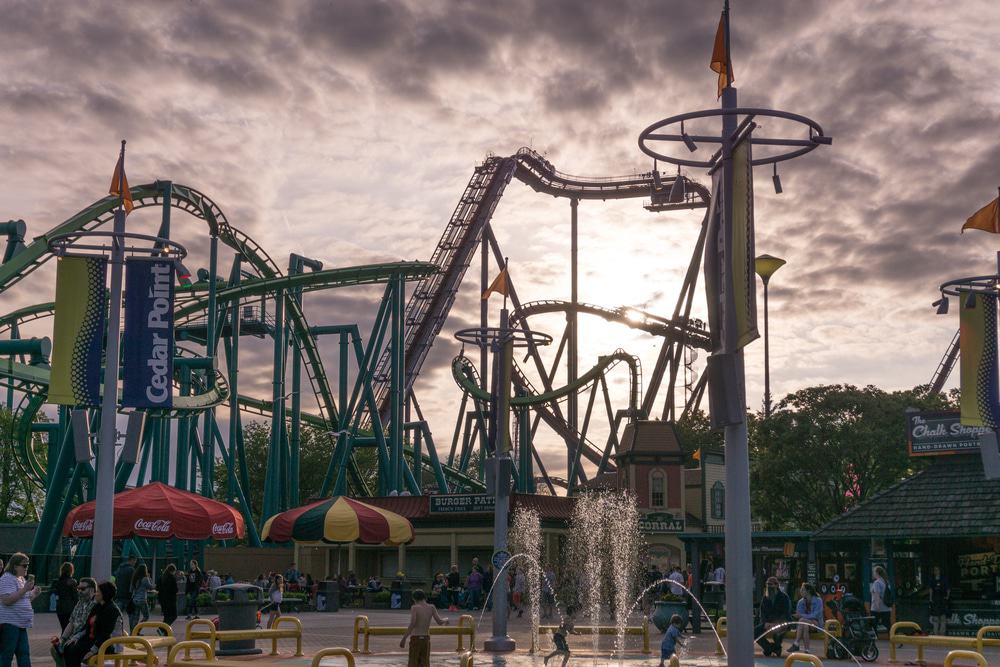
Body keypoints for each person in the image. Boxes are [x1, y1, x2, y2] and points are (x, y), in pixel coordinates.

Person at [62, 581, 124, 667]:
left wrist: (92, 651)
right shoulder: (97, 606)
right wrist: (76, 637)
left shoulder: (112, 610)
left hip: (109, 644)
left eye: (98, 591)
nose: (95, 594)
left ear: (104, 594)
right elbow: (87, 626)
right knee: (68, 647)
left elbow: (106, 634)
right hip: (94, 640)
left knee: (75, 650)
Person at [0, 553, 40, 667]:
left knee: (24, 653)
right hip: (10, 623)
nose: (27, 567)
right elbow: (6, 600)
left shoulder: (21, 579)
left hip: (21, 624)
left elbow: (23, 600)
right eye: (24, 565)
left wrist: (33, 593)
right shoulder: (7, 578)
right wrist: (25, 589)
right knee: (7, 654)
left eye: (27, 565)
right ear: (15, 566)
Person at [50, 577, 96, 667]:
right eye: (78, 588)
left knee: (69, 649)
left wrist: (74, 638)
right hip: (74, 638)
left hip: (85, 639)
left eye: (83, 589)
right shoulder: (80, 603)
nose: (79, 591)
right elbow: (71, 623)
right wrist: (62, 639)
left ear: (92, 589)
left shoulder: (95, 605)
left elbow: (90, 628)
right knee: (55, 649)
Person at [399, 589, 449, 666]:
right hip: (426, 638)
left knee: (413, 662)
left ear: (414, 599)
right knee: (425, 663)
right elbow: (439, 622)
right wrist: (446, 619)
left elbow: (413, 623)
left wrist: (404, 638)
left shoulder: (415, 608)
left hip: (415, 638)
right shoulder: (432, 607)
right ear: (424, 598)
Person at [755, 576, 791, 657]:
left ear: (776, 585)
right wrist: (765, 623)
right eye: (767, 584)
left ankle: (776, 648)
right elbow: (762, 613)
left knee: (777, 634)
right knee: (754, 632)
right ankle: (769, 648)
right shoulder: (765, 598)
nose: (769, 586)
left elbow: (786, 613)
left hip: (781, 623)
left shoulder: (784, 597)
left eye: (771, 584)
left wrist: (776, 623)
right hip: (768, 623)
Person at [789, 582, 823, 654]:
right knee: (805, 625)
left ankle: (796, 643)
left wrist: (802, 616)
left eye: (803, 590)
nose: (801, 591)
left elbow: (815, 615)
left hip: (816, 625)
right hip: (805, 625)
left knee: (802, 620)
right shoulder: (800, 602)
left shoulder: (818, 600)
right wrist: (800, 616)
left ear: (808, 591)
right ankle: (807, 649)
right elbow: (799, 614)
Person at [128, 564, 156, 630]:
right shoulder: (145, 579)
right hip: (142, 600)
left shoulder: (134, 578)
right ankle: (138, 629)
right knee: (146, 616)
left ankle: (134, 632)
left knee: (136, 617)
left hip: (135, 600)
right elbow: (151, 587)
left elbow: (130, 590)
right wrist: (152, 582)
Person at [52, 562, 79, 631]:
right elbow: (75, 596)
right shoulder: (72, 582)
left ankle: (62, 641)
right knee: (70, 629)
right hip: (70, 608)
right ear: (71, 570)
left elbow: (56, 593)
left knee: (64, 628)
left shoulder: (58, 582)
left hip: (60, 607)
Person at [928, 565, 950, 635]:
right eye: (935, 570)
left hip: (942, 599)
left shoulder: (944, 579)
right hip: (935, 599)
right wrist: (930, 598)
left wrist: (947, 597)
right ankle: (936, 633)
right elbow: (931, 589)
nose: (936, 571)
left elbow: (948, 589)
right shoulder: (932, 579)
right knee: (935, 618)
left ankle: (942, 633)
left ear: (940, 570)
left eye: (937, 569)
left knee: (943, 618)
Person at [870, 565, 891, 631]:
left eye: (874, 572)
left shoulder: (877, 583)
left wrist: (877, 607)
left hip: (877, 609)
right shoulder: (886, 582)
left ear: (877, 573)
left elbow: (877, 596)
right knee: (888, 625)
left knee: (874, 626)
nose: (873, 574)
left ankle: (875, 641)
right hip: (887, 608)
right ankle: (891, 639)